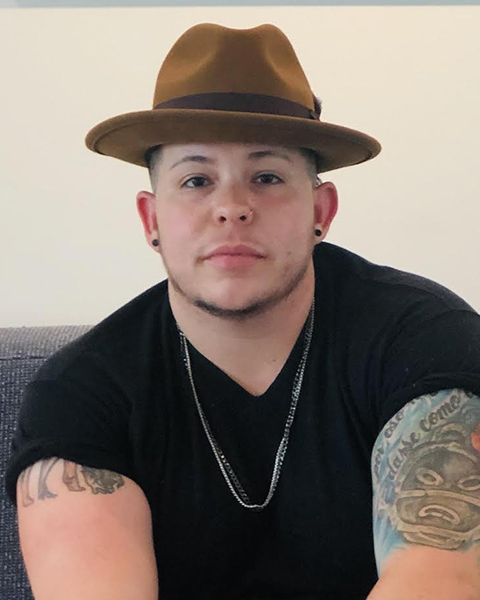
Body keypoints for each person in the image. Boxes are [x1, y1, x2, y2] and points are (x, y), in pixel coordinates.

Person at [5, 22, 480, 600]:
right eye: (197, 179)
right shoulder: (79, 391)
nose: (231, 207)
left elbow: (441, 578)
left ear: (321, 210)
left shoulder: (423, 341)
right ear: (151, 219)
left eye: (267, 177)